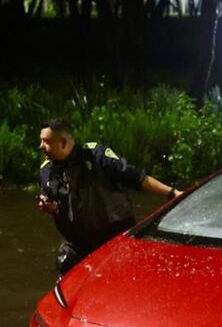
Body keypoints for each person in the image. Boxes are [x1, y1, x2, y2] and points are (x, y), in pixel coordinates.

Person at [37, 118, 179, 275]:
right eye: (41, 141)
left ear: (63, 142)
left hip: (114, 237)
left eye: (46, 142)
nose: (41, 146)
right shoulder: (46, 171)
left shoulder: (95, 155)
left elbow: (136, 177)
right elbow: (49, 199)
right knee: (65, 263)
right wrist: (49, 206)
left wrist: (172, 193)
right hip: (79, 242)